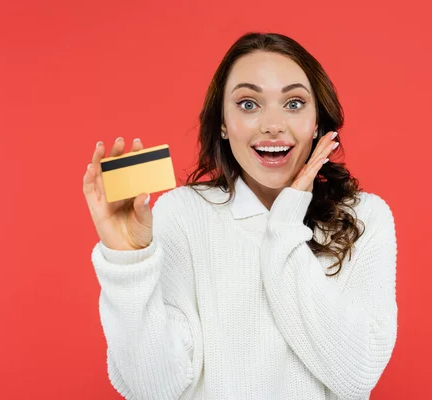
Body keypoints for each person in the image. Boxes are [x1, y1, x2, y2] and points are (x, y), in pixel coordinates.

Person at [82, 32, 398, 400]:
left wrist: (284, 223)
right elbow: (154, 388)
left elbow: (357, 374)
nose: (272, 124)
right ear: (222, 124)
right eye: (249, 104)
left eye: (294, 103)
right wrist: (128, 263)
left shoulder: (364, 217)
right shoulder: (182, 213)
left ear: (317, 123)